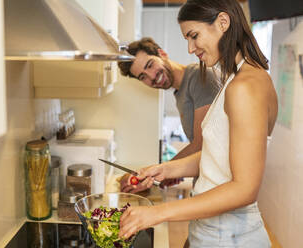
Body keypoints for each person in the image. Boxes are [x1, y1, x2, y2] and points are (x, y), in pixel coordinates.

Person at [118, 0, 278, 247]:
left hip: (230, 237)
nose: (191, 48)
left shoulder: (245, 86)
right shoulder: (235, 79)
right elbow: (217, 154)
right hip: (214, 231)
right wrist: (165, 170)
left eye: (194, 36)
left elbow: (245, 189)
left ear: (223, 23)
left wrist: (157, 213)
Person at [117, 37, 219, 193]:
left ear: (162, 54)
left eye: (150, 65)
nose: (151, 76)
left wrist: (157, 172)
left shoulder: (200, 77)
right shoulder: (180, 92)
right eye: (143, 76)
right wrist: (170, 172)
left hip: (221, 189)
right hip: (207, 186)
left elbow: (202, 145)